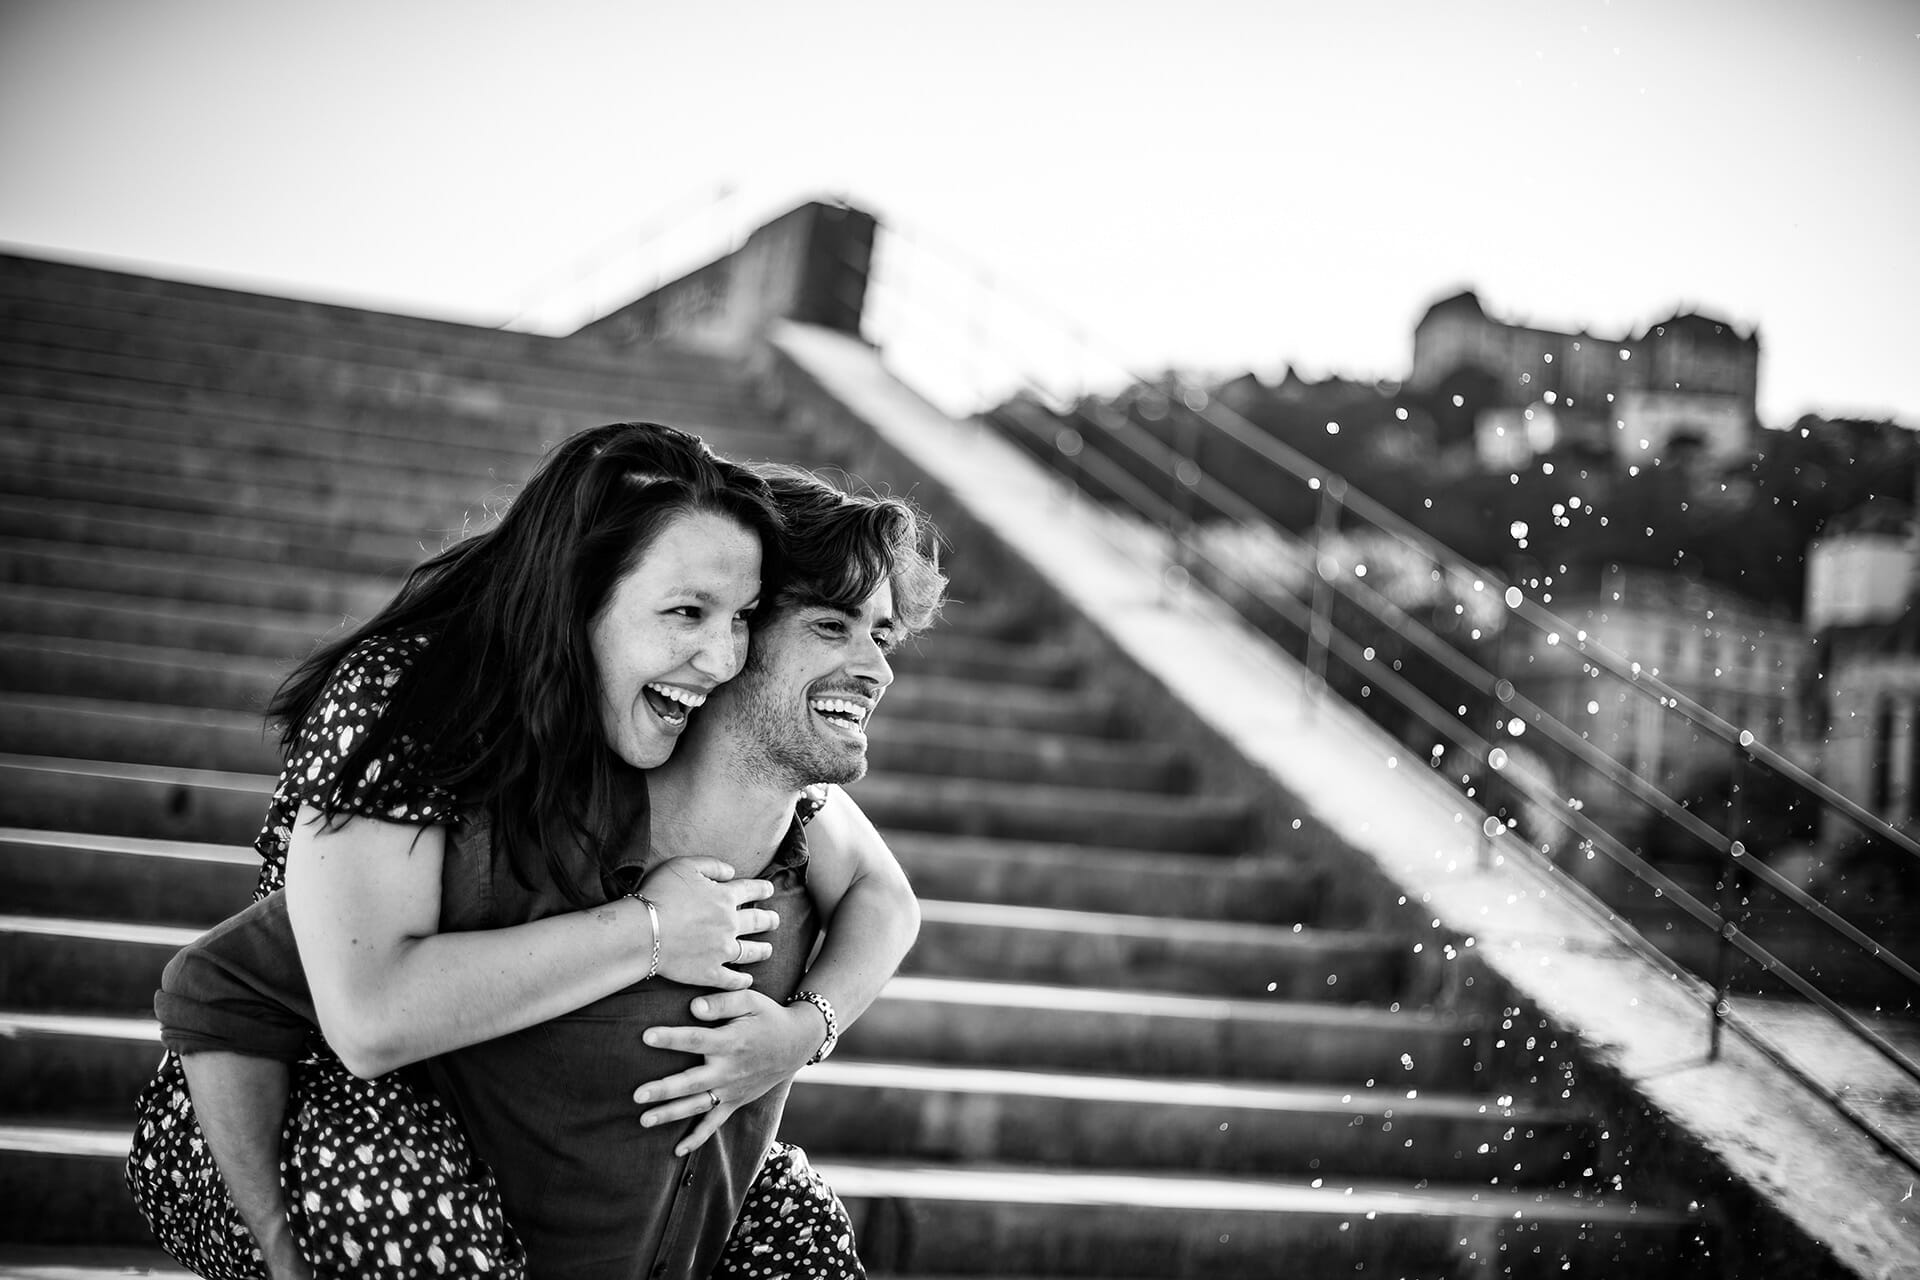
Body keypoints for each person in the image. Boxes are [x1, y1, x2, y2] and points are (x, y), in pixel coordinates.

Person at [125, 424, 943, 1278]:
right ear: (584, 597)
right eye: (688, 613)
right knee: (378, 1168)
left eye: (736, 619)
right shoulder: (446, 732)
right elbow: (305, 1007)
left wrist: (801, 1032)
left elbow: (886, 897)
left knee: (795, 1220)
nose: (719, 652)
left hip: (547, 1159)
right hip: (330, 1105)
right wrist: (654, 927)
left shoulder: (785, 805)